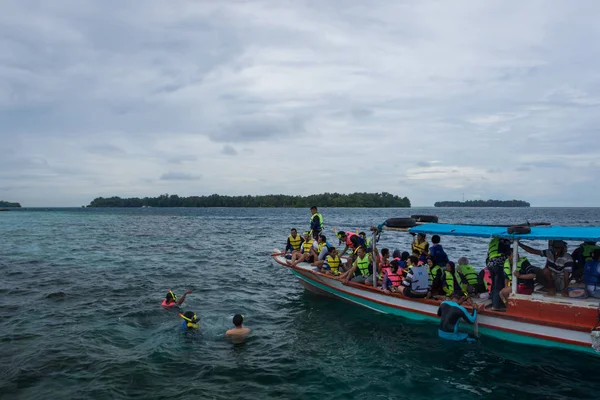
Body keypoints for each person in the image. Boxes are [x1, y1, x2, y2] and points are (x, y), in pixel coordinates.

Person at [486, 238, 512, 311]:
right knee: (499, 285)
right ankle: (496, 306)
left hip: (491, 264)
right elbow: (509, 252)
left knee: (494, 285)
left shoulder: (493, 241)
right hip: (499, 265)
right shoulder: (504, 240)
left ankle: (494, 302)